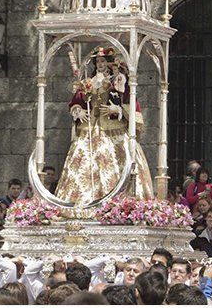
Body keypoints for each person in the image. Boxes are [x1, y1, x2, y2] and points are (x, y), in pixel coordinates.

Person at [55, 46, 153, 205]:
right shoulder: (89, 82)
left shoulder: (118, 80)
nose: (100, 64)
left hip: (114, 128)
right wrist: (77, 110)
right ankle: (84, 201)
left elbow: (130, 101)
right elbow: (76, 101)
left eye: (103, 61)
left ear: (109, 63)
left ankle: (121, 202)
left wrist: (118, 109)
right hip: (90, 127)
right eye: (97, 61)